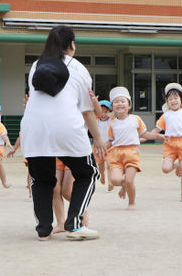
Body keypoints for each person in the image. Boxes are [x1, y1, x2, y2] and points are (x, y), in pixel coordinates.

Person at [20, 25, 107, 240]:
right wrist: (98, 139)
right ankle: (74, 224)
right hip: (66, 127)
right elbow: (87, 112)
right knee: (88, 173)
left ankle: (43, 230)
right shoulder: (79, 68)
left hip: (33, 128)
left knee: (41, 179)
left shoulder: (35, 66)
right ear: (72, 45)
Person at [107, 86, 164, 210]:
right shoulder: (112, 123)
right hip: (116, 154)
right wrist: (99, 150)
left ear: (129, 105)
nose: (120, 104)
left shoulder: (135, 119)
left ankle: (131, 202)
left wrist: (159, 136)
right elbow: (110, 142)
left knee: (129, 180)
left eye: (123, 101)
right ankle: (123, 186)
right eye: (116, 102)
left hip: (132, 153)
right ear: (113, 106)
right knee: (115, 180)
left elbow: (145, 134)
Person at [90, 93, 114, 191]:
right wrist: (94, 102)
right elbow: (90, 112)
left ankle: (111, 182)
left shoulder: (112, 120)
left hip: (110, 146)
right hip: (98, 147)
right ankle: (102, 175)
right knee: (100, 166)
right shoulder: (95, 120)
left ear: (110, 112)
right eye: (101, 111)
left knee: (109, 164)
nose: (103, 114)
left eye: (106, 111)